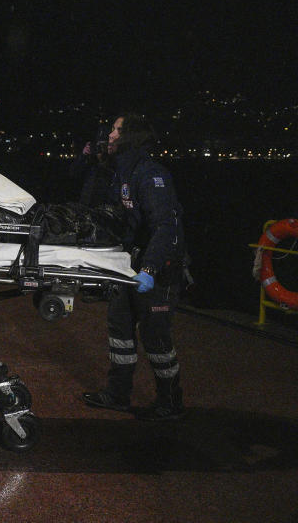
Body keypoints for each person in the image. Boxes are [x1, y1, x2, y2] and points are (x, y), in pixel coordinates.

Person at [81, 113, 187, 421]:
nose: (110, 135)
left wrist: (150, 269)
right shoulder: (122, 172)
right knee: (120, 331)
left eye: (116, 130)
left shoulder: (152, 175)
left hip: (156, 269)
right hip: (128, 265)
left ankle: (171, 400)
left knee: (156, 340)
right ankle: (117, 394)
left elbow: (166, 226)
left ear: (130, 136)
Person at [69, 123, 114, 206]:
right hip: (86, 208)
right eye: (98, 145)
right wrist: (83, 155)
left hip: (104, 209)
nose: (100, 148)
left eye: (104, 145)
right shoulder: (91, 164)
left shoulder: (114, 164)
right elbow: (73, 173)